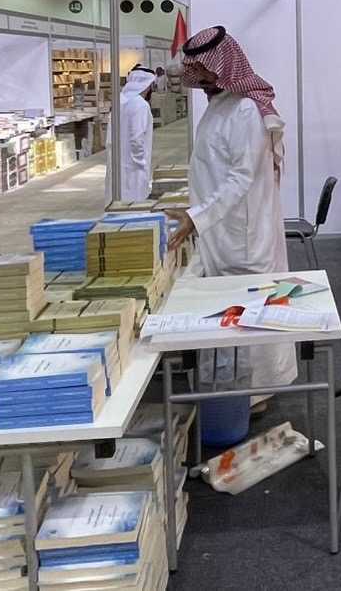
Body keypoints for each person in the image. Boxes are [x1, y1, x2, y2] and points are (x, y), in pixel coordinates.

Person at [165, 25, 297, 405]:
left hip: (243, 236)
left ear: (225, 65)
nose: (200, 77)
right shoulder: (221, 105)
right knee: (229, 320)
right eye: (195, 70)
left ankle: (257, 395)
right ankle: (235, 394)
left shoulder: (245, 110)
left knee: (251, 319)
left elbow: (241, 177)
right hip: (221, 230)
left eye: (204, 69)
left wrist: (196, 217)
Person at [108, 65, 155, 202]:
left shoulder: (120, 100)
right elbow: (137, 138)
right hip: (134, 167)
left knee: (117, 199)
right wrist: (140, 162)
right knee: (134, 201)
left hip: (116, 161)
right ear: (147, 85)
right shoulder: (140, 105)